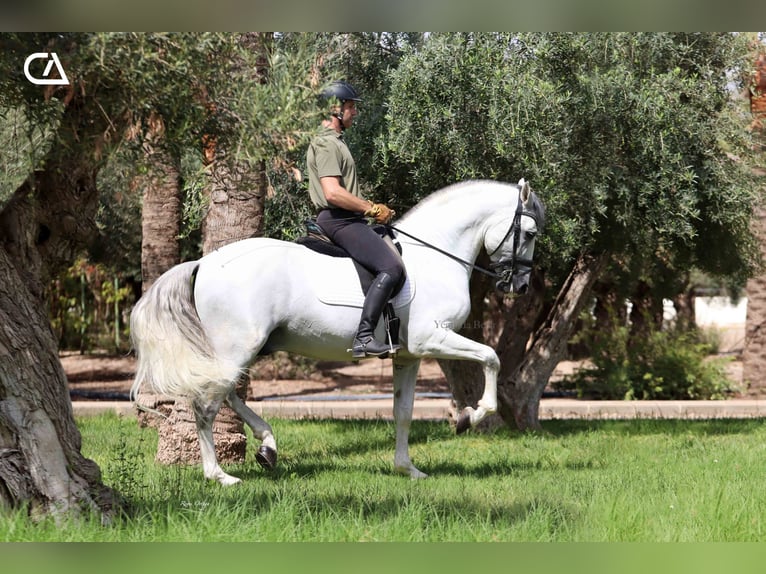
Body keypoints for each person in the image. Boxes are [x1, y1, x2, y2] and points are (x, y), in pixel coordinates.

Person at [306, 80, 405, 358]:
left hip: (347, 219)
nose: (355, 113)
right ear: (336, 110)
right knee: (391, 267)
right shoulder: (326, 143)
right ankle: (363, 336)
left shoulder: (336, 142)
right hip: (339, 220)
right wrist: (371, 208)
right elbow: (333, 192)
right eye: (351, 107)